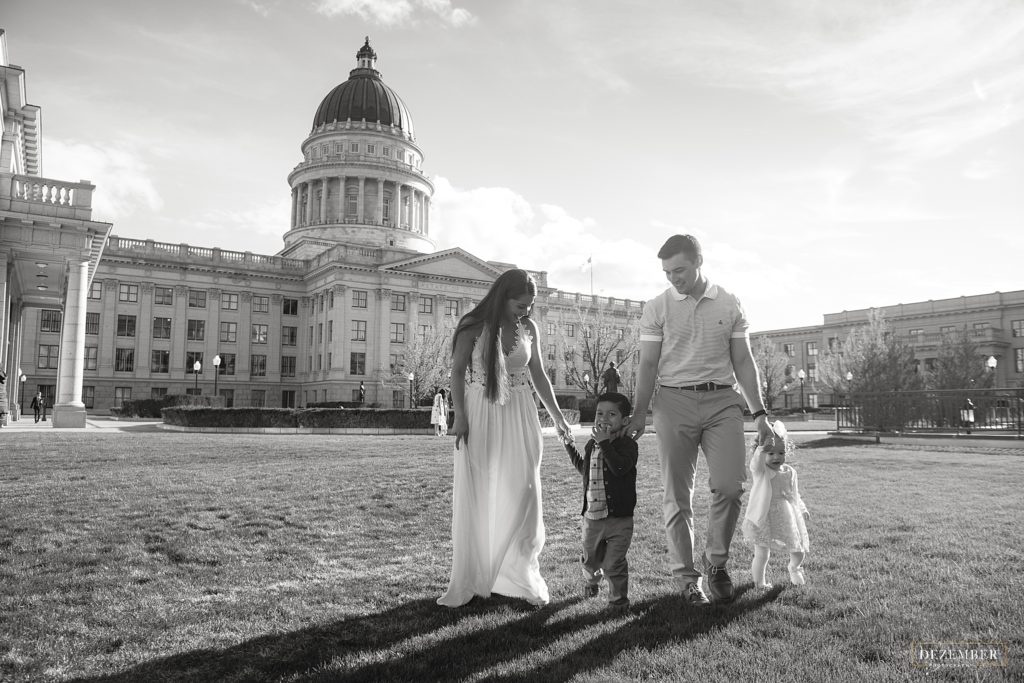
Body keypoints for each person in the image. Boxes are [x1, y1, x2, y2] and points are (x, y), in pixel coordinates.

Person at [626, 234, 775, 606]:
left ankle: (716, 563)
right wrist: (640, 411)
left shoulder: (728, 301)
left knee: (729, 486)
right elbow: (647, 364)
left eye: (679, 269)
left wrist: (760, 414)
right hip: (672, 401)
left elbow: (743, 361)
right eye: (667, 272)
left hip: (723, 401)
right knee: (676, 495)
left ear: (699, 262)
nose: (673, 278)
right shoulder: (657, 307)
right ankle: (686, 580)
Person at [438, 268, 570, 608]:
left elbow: (538, 374)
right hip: (481, 410)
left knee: (525, 490)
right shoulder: (473, 326)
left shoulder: (529, 328)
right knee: (482, 489)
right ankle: (482, 573)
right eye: (520, 304)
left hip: (521, 412)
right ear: (503, 296)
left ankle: (518, 573)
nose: (525, 311)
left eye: (530, 305)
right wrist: (460, 418)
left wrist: (557, 417)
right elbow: (456, 371)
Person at [562, 392, 638, 612]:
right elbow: (584, 469)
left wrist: (605, 444)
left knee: (614, 563)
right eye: (599, 413)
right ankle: (591, 581)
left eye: (611, 414)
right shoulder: (592, 445)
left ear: (624, 421)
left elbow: (620, 468)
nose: (604, 418)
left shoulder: (628, 446)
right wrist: (569, 445)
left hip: (619, 520)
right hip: (592, 518)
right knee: (590, 561)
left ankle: (618, 602)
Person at [742, 421, 809, 588]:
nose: (776, 457)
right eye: (770, 453)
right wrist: (762, 448)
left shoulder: (790, 472)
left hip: (787, 516)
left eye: (781, 452)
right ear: (761, 452)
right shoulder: (761, 471)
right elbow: (755, 463)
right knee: (762, 552)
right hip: (764, 517)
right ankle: (760, 583)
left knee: (798, 549)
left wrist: (802, 508)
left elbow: (795, 494)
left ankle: (794, 567)